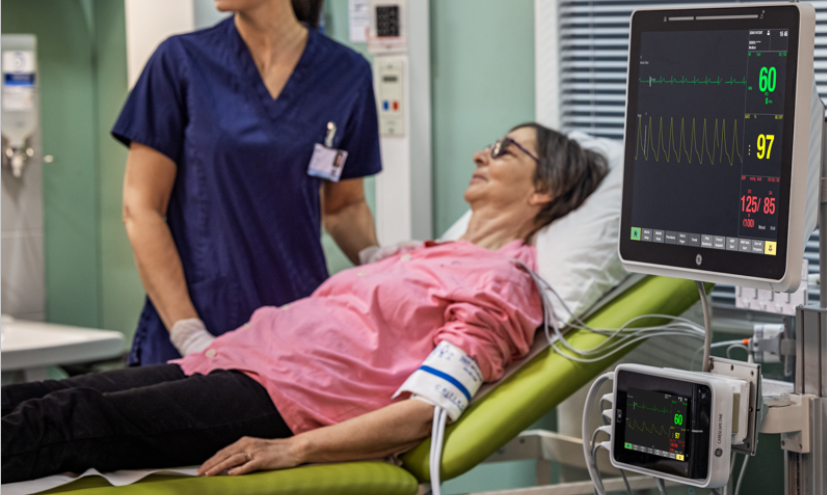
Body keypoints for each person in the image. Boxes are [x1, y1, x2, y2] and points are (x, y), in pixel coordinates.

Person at [2, 124, 608, 482]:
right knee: (36, 397)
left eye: (505, 151)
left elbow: (432, 408)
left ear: (545, 189)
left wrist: (295, 448)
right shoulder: (419, 253)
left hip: (282, 402)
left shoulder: (503, 283)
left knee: (73, 418)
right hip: (224, 363)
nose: (482, 153)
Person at [114, 0, 381, 366]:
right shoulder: (180, 61)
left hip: (295, 326)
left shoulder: (348, 74)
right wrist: (188, 332)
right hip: (197, 322)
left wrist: (377, 257)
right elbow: (141, 209)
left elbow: (344, 206)